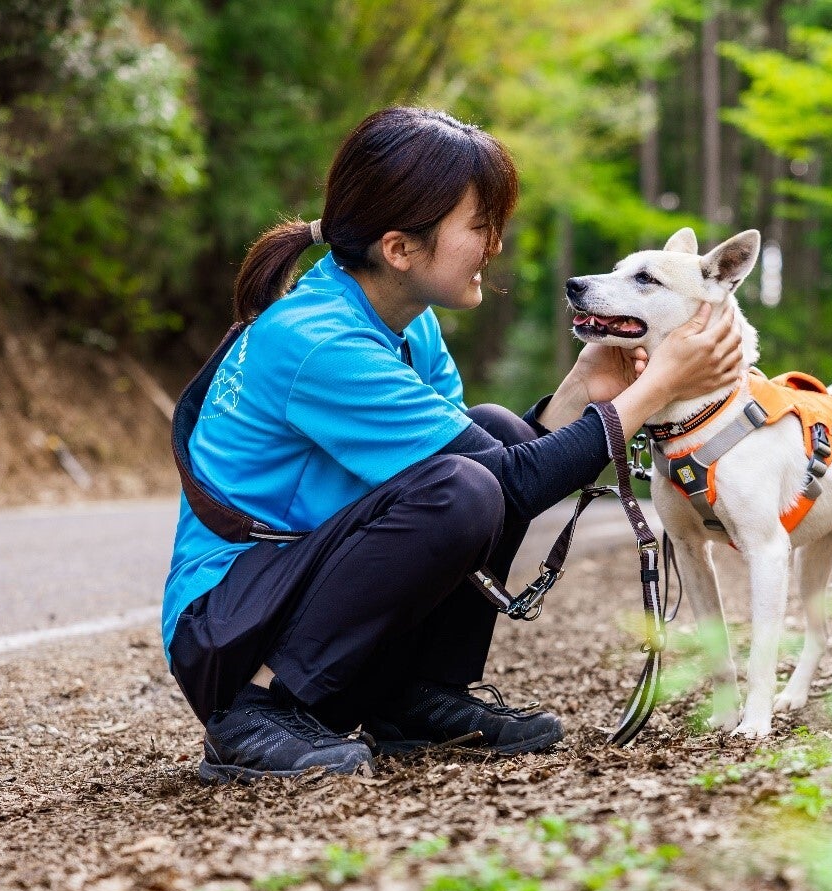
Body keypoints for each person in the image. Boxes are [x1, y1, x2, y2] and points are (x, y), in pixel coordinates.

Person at [163, 107, 745, 783]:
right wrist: (650, 393)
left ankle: (417, 698)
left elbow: (499, 463)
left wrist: (584, 387)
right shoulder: (321, 340)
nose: (494, 243)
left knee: (494, 432)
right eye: (479, 225)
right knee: (465, 487)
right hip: (229, 633)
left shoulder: (410, 324)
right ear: (399, 248)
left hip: (291, 594)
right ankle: (260, 712)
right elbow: (494, 486)